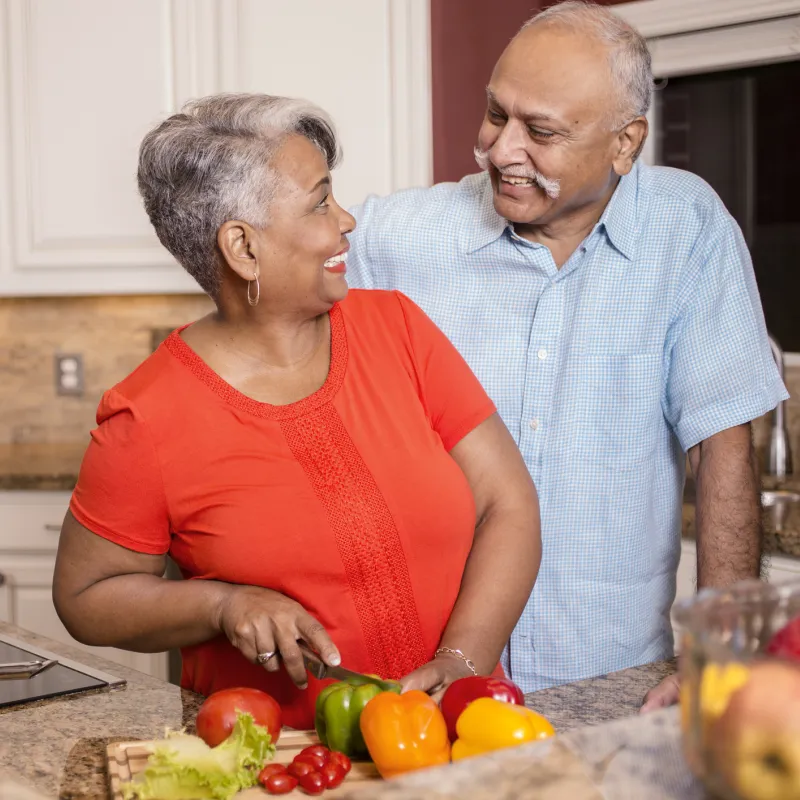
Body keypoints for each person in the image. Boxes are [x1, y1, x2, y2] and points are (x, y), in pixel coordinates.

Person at [345, 1, 788, 710]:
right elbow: (270, 266)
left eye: (540, 132)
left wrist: (722, 654)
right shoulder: (403, 235)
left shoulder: (687, 228)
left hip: (607, 675)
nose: (500, 149)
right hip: (428, 679)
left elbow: (723, 448)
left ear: (625, 143)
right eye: (496, 114)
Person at [51, 94, 541, 729]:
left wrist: (462, 661)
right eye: (319, 203)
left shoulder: (398, 329)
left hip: (461, 737)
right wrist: (222, 606)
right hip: (280, 766)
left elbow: (510, 502)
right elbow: (84, 599)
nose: (346, 221)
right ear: (243, 249)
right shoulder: (145, 419)